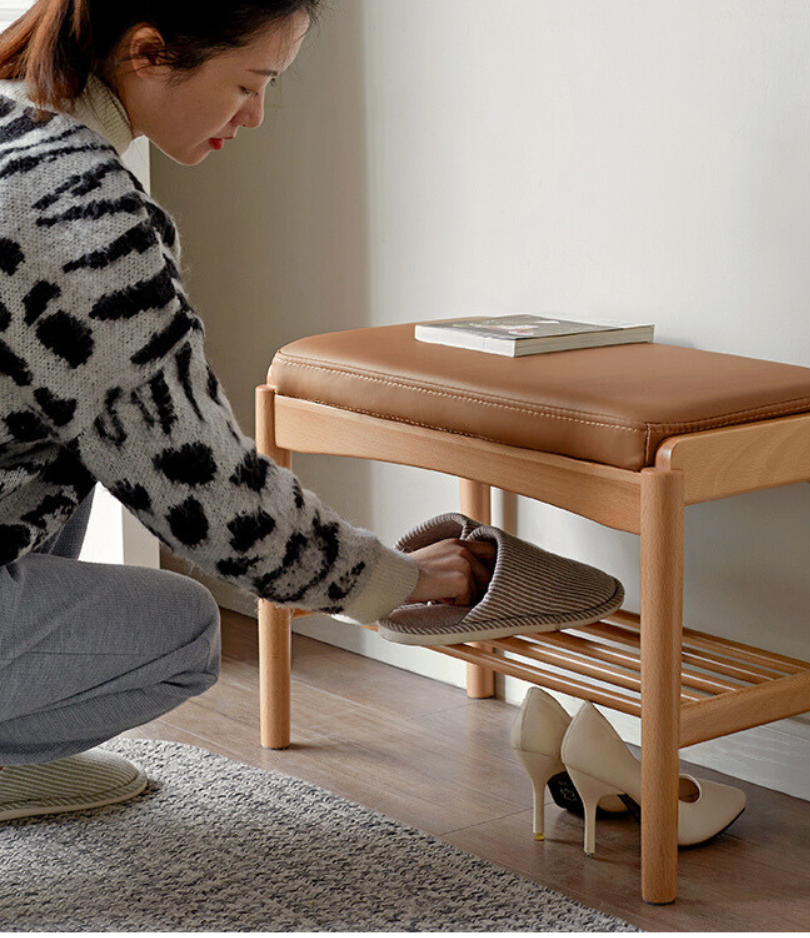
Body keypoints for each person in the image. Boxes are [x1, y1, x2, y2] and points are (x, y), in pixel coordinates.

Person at [0, 0, 495, 821]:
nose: (256, 115)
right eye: (248, 84)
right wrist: (385, 580)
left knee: (69, 436)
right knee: (184, 633)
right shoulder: (81, 214)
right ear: (149, 53)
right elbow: (201, 486)